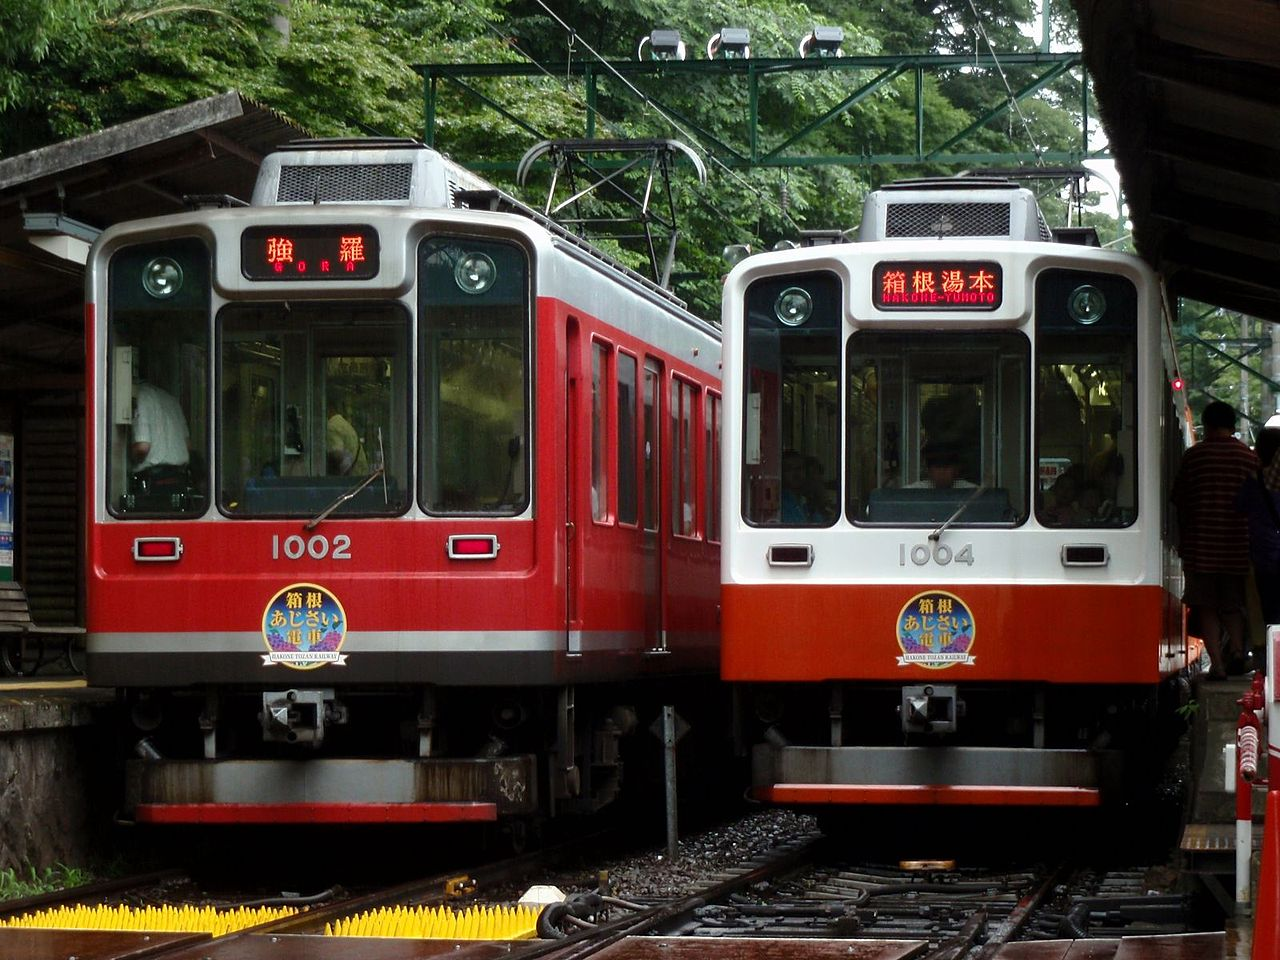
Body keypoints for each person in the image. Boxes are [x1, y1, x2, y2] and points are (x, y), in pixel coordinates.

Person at [1171, 400, 1259, 679]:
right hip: (1238, 546)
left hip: (1201, 547)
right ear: (1232, 426)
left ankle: (1218, 666)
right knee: (1232, 603)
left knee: (1206, 606)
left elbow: (1179, 499)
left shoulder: (1195, 457)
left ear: (1207, 425)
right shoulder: (1248, 457)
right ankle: (1235, 649)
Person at [1236, 427, 1280, 659]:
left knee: (1270, 614)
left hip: (1264, 554)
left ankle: (1271, 665)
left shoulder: (1255, 481)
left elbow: (1240, 507)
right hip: (1269, 552)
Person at [130, 381, 190, 478]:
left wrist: (122, 461)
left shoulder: (141, 395)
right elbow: (187, 445)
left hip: (153, 478)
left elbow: (142, 447)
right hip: (179, 475)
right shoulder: (171, 399)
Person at [907, 441, 977, 490]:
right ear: (929, 471)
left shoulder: (971, 491)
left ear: (956, 470)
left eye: (946, 467)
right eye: (938, 467)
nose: (942, 472)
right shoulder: (913, 492)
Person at [326, 409, 368, 476]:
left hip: (350, 479)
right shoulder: (344, 424)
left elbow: (338, 453)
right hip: (360, 475)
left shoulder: (331, 426)